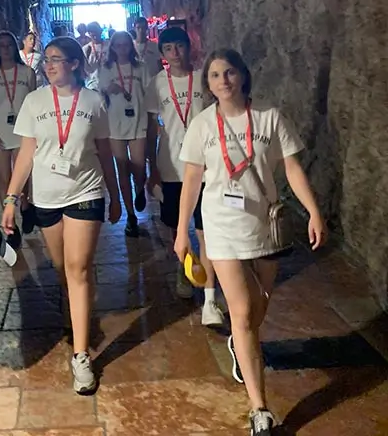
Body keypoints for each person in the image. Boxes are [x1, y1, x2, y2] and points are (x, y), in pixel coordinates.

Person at [175, 48, 327, 435]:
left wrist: (313, 210)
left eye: (228, 73)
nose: (222, 81)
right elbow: (192, 179)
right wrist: (182, 232)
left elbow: (291, 167)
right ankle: (260, 408)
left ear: (242, 76)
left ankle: (242, 345)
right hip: (221, 228)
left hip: (265, 226)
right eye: (213, 75)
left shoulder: (269, 118)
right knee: (242, 313)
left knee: (258, 309)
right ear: (207, 84)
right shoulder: (202, 125)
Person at [1, 36, 121, 395]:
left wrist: (117, 195)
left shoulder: (94, 102)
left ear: (74, 64)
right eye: (47, 60)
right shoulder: (34, 102)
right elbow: (26, 153)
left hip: (85, 192)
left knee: (78, 268)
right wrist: (10, 198)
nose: (49, 65)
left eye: (57, 59)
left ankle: (81, 356)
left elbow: (104, 152)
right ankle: (79, 310)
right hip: (47, 198)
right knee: (61, 269)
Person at [145, 27, 224, 326]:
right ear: (162, 54)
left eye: (179, 47)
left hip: (208, 164)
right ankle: (184, 265)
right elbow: (153, 127)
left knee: (206, 230)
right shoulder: (157, 84)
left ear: (189, 48)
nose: (175, 53)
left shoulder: (205, 77)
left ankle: (210, 298)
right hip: (171, 164)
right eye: (168, 49)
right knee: (174, 226)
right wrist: (151, 167)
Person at [0, 31, 37, 233]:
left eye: (9, 45)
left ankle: (25, 205)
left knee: (23, 174)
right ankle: (9, 221)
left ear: (15, 47)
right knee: (4, 177)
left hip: (23, 129)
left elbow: (34, 102)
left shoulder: (28, 73)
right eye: (1, 46)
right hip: (0, 130)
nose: (5, 50)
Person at [98, 31, 150, 237]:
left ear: (131, 46)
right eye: (118, 45)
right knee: (121, 170)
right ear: (112, 48)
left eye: (125, 45)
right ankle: (131, 215)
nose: (122, 49)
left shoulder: (141, 68)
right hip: (115, 123)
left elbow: (149, 92)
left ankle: (139, 187)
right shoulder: (106, 68)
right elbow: (99, 93)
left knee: (138, 166)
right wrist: (108, 90)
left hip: (138, 121)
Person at [82, 21, 109, 91]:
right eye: (92, 34)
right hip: (92, 84)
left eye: (96, 33)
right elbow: (84, 69)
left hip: (108, 81)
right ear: (89, 34)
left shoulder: (109, 45)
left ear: (100, 32)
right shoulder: (86, 48)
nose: (95, 36)